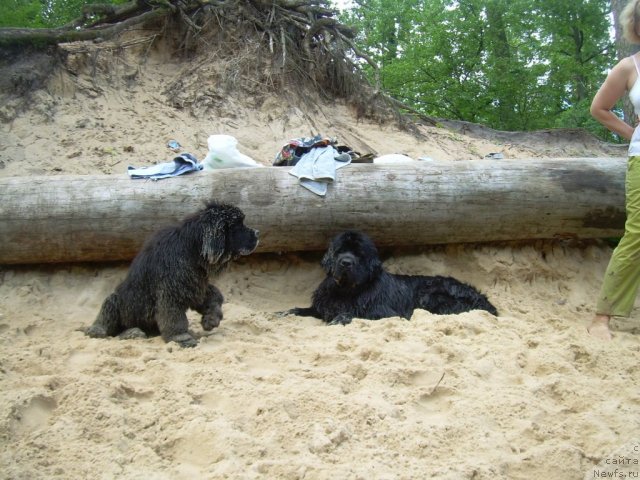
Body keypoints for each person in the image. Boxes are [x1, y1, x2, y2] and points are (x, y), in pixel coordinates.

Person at [589, 0, 640, 340]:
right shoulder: (628, 67)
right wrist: (633, 133)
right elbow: (600, 109)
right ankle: (602, 317)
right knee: (637, 234)